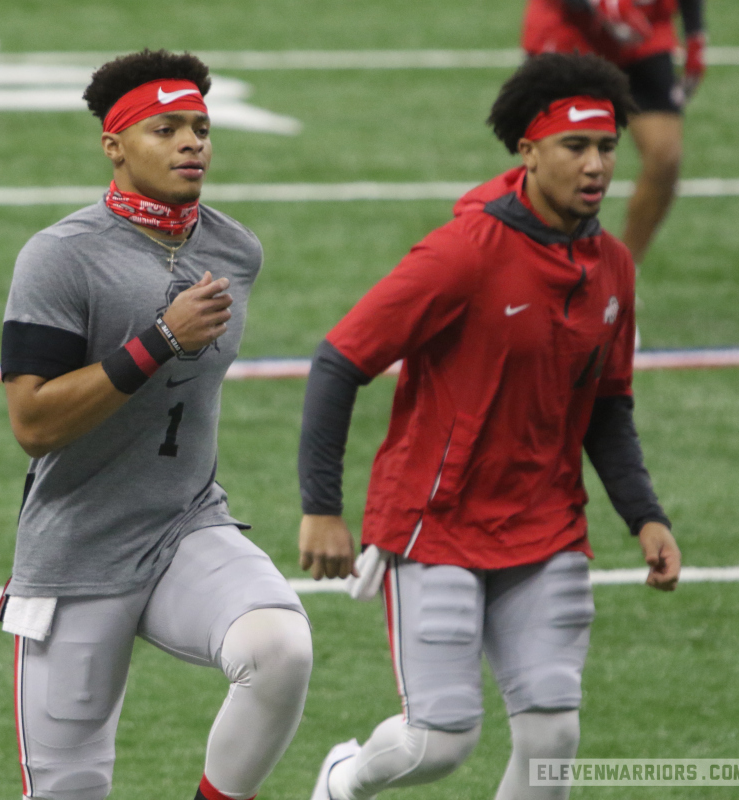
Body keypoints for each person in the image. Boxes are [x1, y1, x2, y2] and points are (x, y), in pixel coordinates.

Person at [298, 53, 681, 800]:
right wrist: (321, 507)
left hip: (544, 523)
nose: (597, 165)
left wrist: (645, 515)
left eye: (607, 146)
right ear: (527, 150)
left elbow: (605, 406)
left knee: (552, 738)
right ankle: (344, 777)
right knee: (439, 741)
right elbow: (338, 360)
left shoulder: (613, 269)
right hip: (434, 522)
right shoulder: (461, 255)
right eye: (575, 147)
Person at [0, 49, 313, 800]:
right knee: (70, 789)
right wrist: (159, 340)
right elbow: (34, 424)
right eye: (165, 128)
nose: (192, 143)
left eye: (201, 127)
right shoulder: (58, 257)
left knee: (279, 648)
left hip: (185, 523)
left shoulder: (235, 249)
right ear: (114, 146)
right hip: (79, 545)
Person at [522, 0, 707, 263]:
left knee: (665, 157)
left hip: (643, 31)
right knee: (560, 161)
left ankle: (623, 271)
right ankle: (553, 265)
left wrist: (695, 34)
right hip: (571, 30)